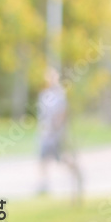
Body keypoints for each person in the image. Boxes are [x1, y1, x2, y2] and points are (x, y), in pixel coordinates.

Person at [37, 66, 83, 204]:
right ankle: (44, 185)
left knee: (62, 158)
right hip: (45, 134)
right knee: (43, 158)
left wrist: (56, 128)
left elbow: (62, 113)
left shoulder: (59, 94)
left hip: (56, 135)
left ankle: (77, 175)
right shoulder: (44, 95)